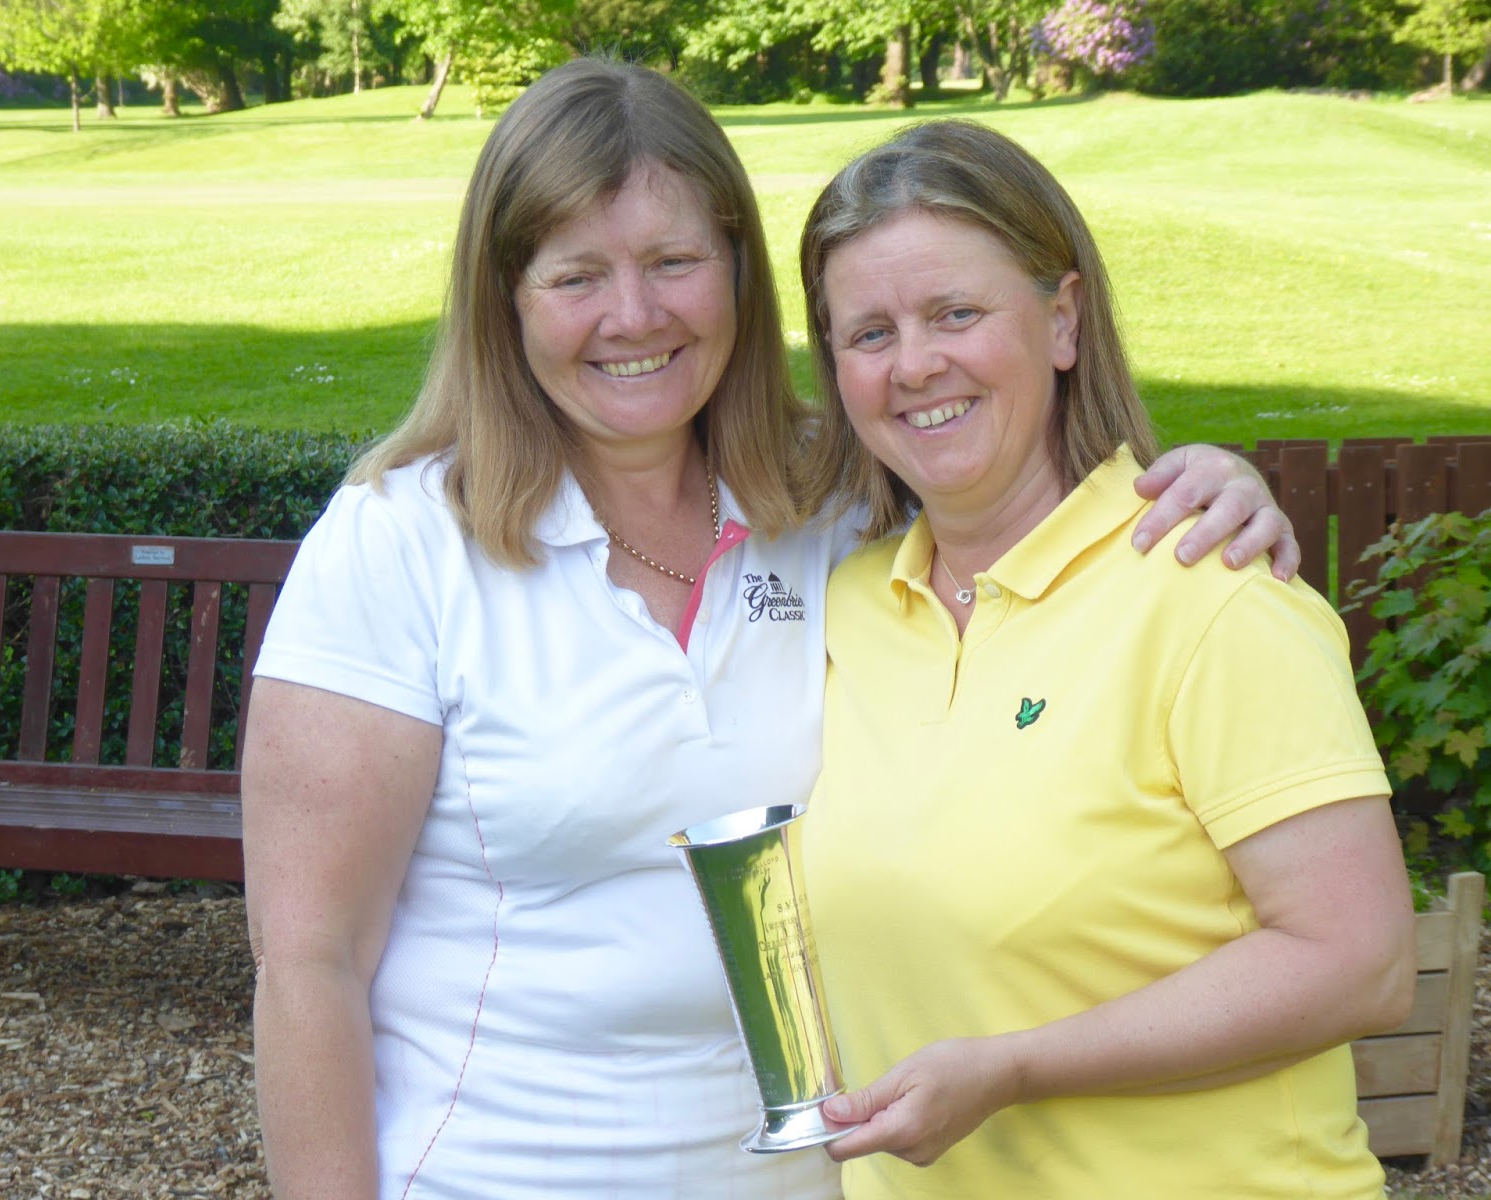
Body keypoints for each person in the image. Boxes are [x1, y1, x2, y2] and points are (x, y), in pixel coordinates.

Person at [241, 60, 1297, 1200]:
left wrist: (1211, 480)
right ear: (506, 299)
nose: (632, 316)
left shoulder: (840, 505)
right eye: (576, 275)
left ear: (739, 274)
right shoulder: (400, 543)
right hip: (497, 1174)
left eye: (673, 262)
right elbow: (310, 963)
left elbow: (1015, 478)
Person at [797, 118, 1416, 1200]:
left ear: (1063, 319)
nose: (914, 365)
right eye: (868, 333)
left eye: (956, 312)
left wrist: (1016, 1067)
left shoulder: (1206, 589)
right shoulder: (846, 607)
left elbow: (1358, 962)